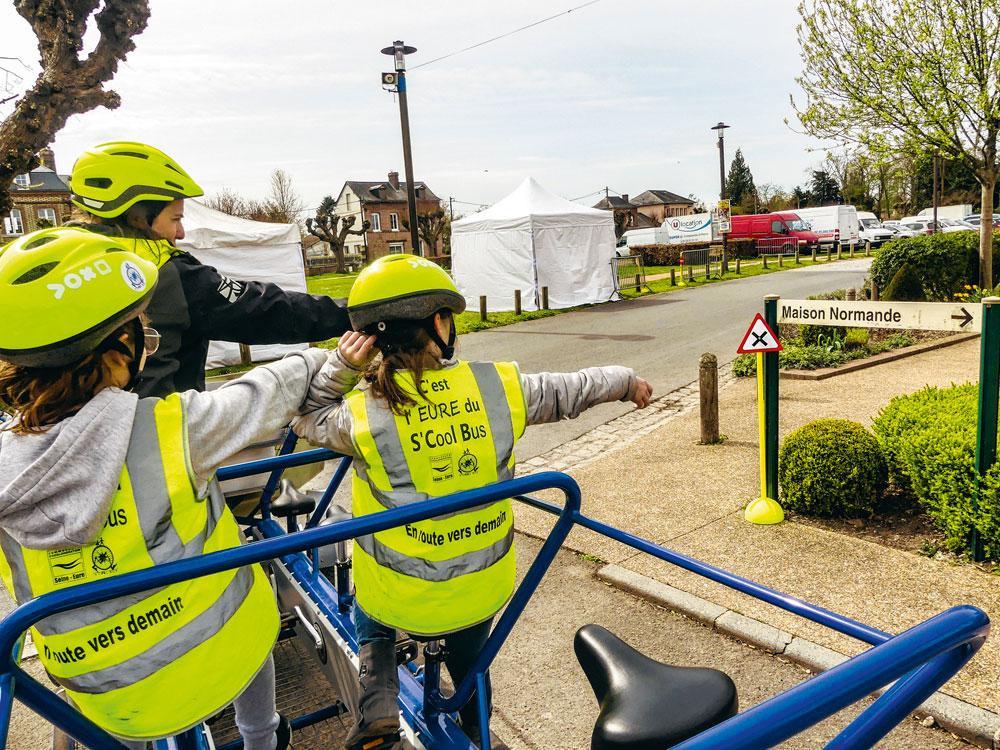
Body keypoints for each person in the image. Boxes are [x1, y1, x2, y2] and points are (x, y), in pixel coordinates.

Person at [0, 227, 350, 748]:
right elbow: (268, 392)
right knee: (247, 572)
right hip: (218, 656)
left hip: (103, 694)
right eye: (143, 329)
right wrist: (336, 358)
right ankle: (262, 738)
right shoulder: (169, 428)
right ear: (119, 347)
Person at [292, 254, 653, 750]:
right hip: (482, 587)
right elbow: (569, 391)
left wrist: (340, 367)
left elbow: (306, 416)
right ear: (439, 323)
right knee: (472, 657)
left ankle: (377, 697)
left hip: (398, 595)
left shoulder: (362, 412)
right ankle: (474, 723)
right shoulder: (495, 388)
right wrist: (625, 379)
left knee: (369, 615)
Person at [67, 140, 353, 397]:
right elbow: (262, 310)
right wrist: (354, 314)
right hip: (155, 433)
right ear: (138, 215)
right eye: (175, 218)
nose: (180, 233)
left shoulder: (64, 261)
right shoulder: (163, 272)